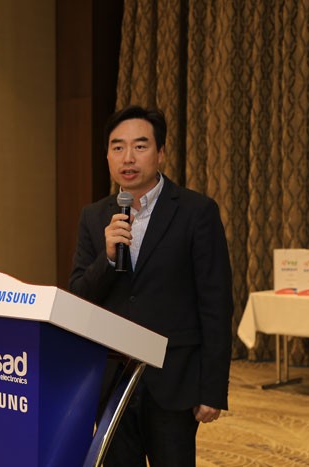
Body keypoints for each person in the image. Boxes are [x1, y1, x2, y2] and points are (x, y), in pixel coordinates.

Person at [69, 105, 233, 466]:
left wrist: (212, 388)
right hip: (112, 382)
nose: (128, 157)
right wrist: (107, 258)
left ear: (160, 153)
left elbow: (216, 304)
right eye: (117, 147)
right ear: (108, 156)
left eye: (140, 146)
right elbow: (79, 296)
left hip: (173, 381)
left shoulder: (196, 212)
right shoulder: (94, 216)